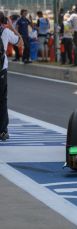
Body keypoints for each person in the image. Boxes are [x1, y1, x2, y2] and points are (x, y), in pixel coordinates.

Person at [0, 11, 23, 141]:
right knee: (2, 101)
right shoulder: (6, 32)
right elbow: (20, 43)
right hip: (1, 70)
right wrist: (12, 27)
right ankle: (2, 131)